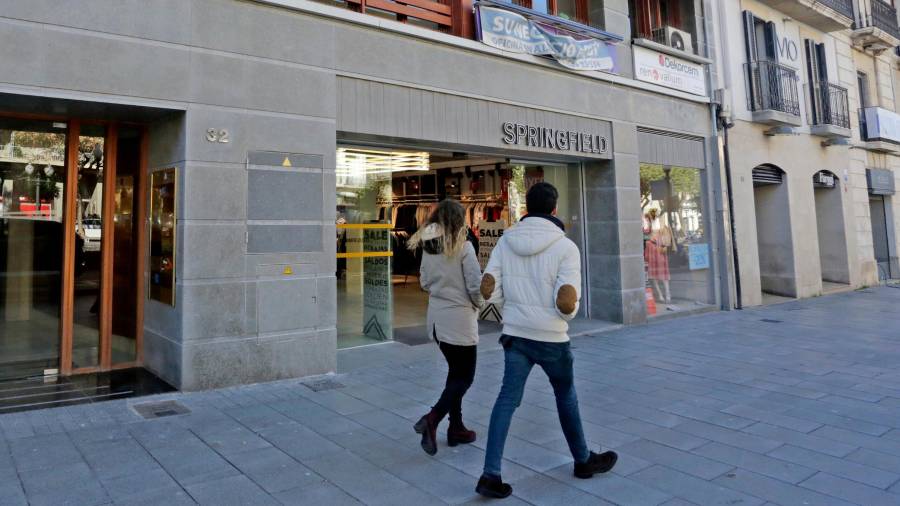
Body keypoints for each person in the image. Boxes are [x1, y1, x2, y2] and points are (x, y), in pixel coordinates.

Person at [476, 182, 617, 499]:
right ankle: (583, 461)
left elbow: (492, 293)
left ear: (527, 207)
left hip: (515, 334)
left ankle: (490, 473)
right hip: (552, 337)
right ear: (554, 209)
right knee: (565, 395)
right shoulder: (566, 248)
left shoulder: (506, 241)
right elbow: (566, 304)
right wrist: (566, 309)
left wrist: (504, 299)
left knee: (506, 400)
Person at [409, 199, 485, 456]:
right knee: (465, 376)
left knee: (455, 375)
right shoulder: (464, 247)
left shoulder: (428, 247)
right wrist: (479, 304)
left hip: (437, 320)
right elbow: (475, 285)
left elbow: (424, 282)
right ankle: (433, 418)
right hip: (460, 320)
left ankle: (457, 427)